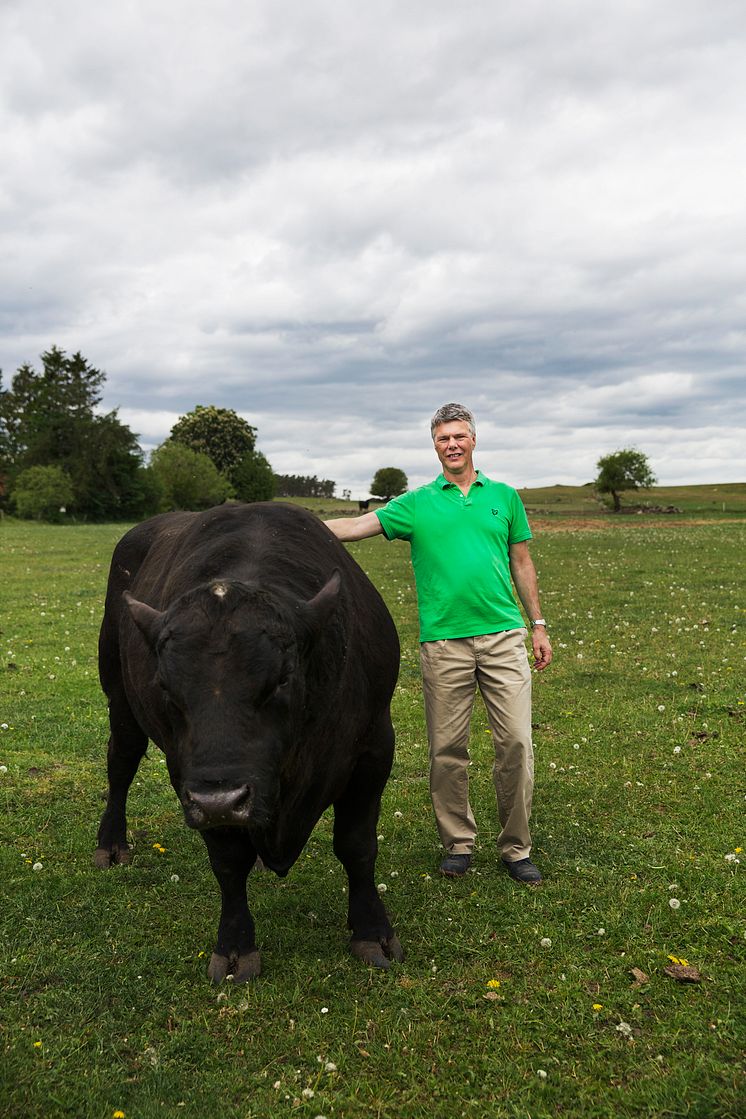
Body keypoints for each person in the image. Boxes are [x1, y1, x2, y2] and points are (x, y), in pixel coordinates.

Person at [324, 403, 552, 883]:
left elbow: (522, 562)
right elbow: (354, 528)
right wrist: (287, 524)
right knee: (447, 748)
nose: (452, 444)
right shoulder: (416, 503)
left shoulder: (505, 497)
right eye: (443, 438)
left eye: (459, 436)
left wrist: (537, 623)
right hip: (444, 645)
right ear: (434, 445)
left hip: (504, 637)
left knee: (515, 743)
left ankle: (516, 848)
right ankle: (459, 843)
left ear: (473, 441)